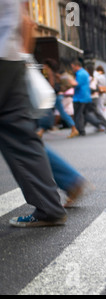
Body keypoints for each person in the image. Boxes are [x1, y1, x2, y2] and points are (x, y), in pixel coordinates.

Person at [1, 0, 67, 227]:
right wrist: (23, 58)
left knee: (20, 136)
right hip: (11, 57)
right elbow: (27, 19)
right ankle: (49, 207)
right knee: (22, 136)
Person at [69, 60, 103, 136]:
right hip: (85, 97)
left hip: (80, 97)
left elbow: (76, 84)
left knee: (78, 115)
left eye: (73, 67)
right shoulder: (84, 73)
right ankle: (97, 123)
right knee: (85, 114)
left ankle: (80, 130)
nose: (72, 68)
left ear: (77, 65)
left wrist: (69, 81)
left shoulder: (80, 73)